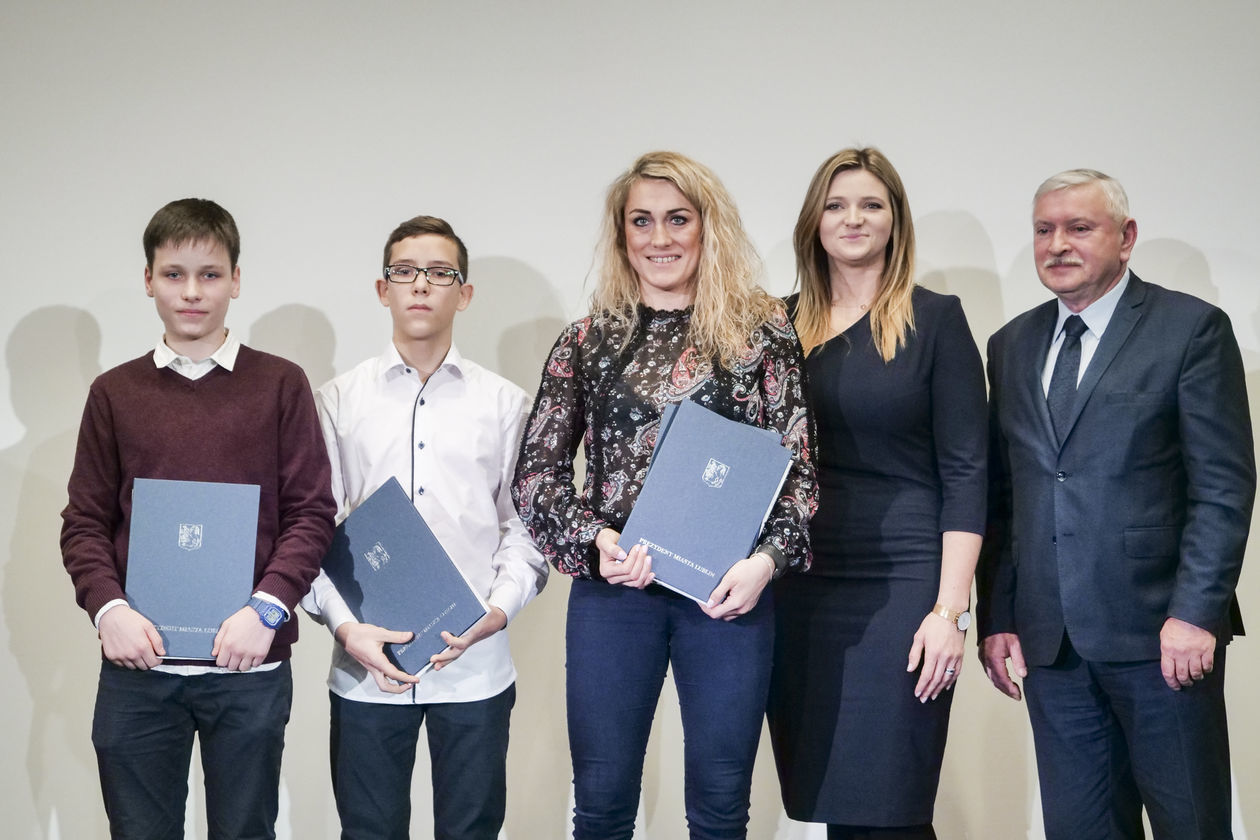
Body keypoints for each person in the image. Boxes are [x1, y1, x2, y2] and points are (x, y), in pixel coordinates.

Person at [512, 150, 816, 839]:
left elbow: (798, 468)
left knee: (720, 808)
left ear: (708, 227)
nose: (660, 238)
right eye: (641, 221)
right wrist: (595, 541)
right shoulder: (587, 341)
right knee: (601, 804)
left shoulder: (762, 334)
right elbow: (536, 475)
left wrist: (764, 564)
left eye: (678, 219)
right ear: (622, 234)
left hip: (728, 597)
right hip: (616, 596)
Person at [977, 169, 1255, 839]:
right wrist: (1000, 614)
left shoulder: (1190, 329)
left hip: (1162, 636)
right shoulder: (1010, 345)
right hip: (1052, 646)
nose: (1057, 245)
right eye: (1044, 230)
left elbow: (1222, 487)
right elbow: (1006, 493)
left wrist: (1195, 614)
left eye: (1079, 228)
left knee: (1191, 824)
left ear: (1126, 238)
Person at [59, 198, 336, 838]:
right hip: (139, 666)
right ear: (148, 280)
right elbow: (84, 522)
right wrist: (108, 610)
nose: (191, 291)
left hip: (248, 664)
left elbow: (311, 512)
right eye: (174, 274)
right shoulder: (114, 392)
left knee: (244, 831)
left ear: (236, 281)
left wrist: (267, 609)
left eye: (209, 274)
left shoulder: (280, 384)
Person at [301, 215, 548, 840]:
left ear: (464, 294)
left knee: (472, 831)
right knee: (368, 831)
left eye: (440, 273)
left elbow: (525, 528)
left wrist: (497, 611)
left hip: (476, 667)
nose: (420, 284)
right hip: (365, 669)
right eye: (405, 271)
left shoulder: (506, 405)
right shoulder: (336, 401)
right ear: (382, 289)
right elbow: (311, 530)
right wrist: (346, 627)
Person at [765, 148, 987, 839]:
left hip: (903, 583)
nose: (852, 218)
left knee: (891, 803)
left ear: (896, 220)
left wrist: (950, 612)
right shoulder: (775, 324)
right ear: (814, 221)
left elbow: (968, 472)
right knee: (839, 799)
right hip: (799, 586)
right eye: (836, 205)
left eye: (871, 204)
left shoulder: (935, 319)